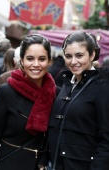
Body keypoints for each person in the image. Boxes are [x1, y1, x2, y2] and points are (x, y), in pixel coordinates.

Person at [0, 34, 57, 170]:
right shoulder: (7, 92)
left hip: (43, 166)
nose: (36, 64)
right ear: (21, 60)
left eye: (42, 59)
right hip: (10, 164)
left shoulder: (56, 93)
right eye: (30, 58)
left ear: (49, 61)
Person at [48, 31, 109, 170]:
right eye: (68, 56)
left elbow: (106, 140)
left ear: (92, 55)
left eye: (79, 55)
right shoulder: (66, 84)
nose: (73, 62)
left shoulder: (103, 86)